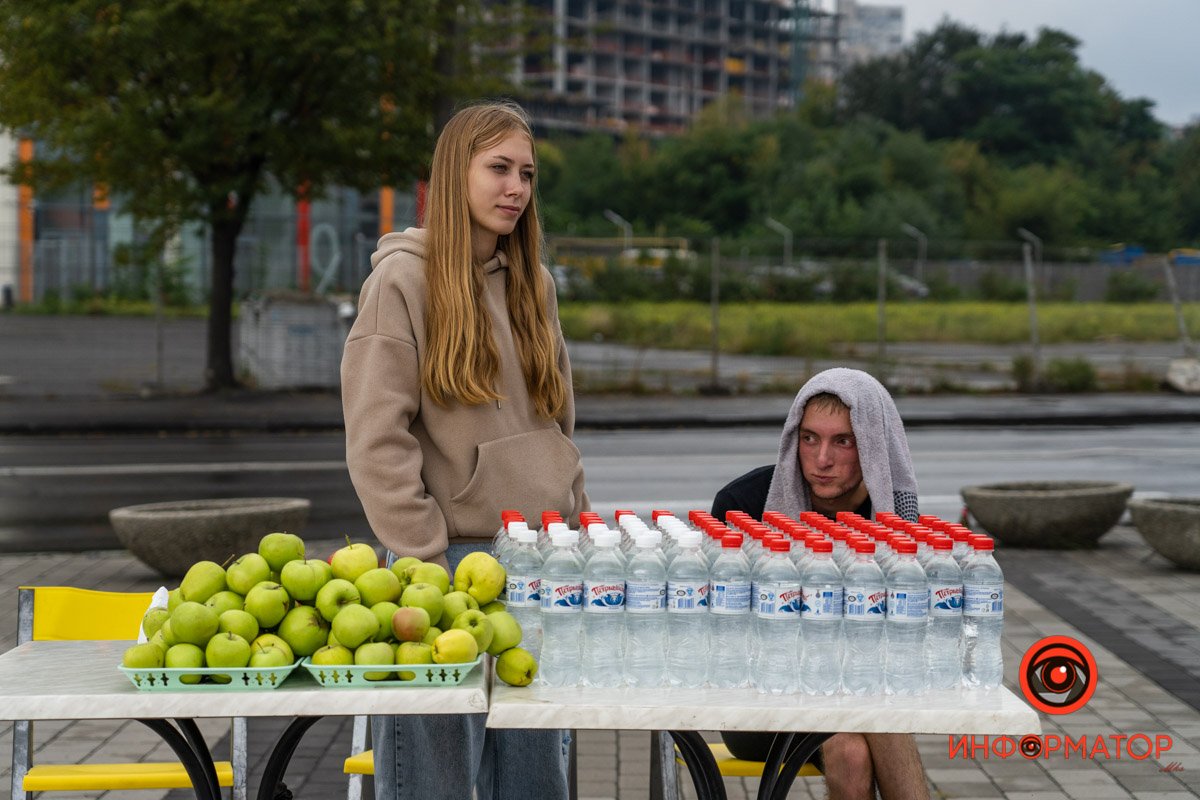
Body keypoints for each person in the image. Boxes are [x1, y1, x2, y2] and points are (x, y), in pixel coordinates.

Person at [341, 100, 588, 800]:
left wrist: (575, 526)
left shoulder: (534, 286)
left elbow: (559, 424)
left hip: (541, 565)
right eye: (499, 169)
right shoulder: (402, 282)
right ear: (456, 174)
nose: (516, 188)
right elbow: (375, 436)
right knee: (432, 784)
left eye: (528, 174)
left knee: (536, 781)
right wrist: (421, 558)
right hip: (443, 569)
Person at [712, 367, 929, 800]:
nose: (822, 459)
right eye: (810, 438)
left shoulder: (890, 517)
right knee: (868, 721)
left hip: (861, 691)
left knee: (854, 740)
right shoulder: (745, 506)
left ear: (872, 444)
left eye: (842, 441)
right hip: (762, 700)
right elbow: (723, 635)